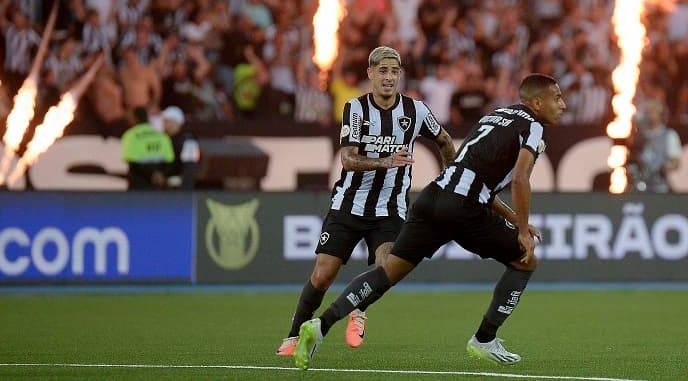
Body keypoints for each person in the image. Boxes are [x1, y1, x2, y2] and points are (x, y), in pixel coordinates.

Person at [293, 73, 566, 370]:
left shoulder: (498, 115)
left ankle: (320, 325)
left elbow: (474, 178)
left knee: (388, 272)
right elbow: (520, 180)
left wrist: (514, 218)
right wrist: (522, 231)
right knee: (525, 261)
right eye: (557, 98)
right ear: (537, 103)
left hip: (433, 197)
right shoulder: (535, 127)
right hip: (463, 208)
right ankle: (485, 339)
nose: (563, 105)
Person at [276, 46, 455, 357]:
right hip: (350, 203)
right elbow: (347, 159)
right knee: (323, 273)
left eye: (394, 72)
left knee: (385, 268)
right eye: (382, 71)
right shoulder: (355, 109)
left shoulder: (417, 111)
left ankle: (357, 311)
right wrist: (385, 161)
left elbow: (445, 141)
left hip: (391, 207)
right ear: (370, 73)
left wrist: (452, 180)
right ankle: (293, 336)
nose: (388, 77)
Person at [627, 100, 682, 193]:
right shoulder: (639, 136)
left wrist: (664, 168)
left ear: (660, 114)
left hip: (658, 185)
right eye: (647, 112)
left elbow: (676, 162)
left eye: (653, 111)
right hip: (637, 184)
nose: (649, 114)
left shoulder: (669, 135)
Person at [120, 106, 174, 190]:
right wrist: (160, 175)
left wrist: (151, 175)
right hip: (159, 186)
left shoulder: (130, 135)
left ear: (135, 118)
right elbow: (169, 161)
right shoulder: (162, 136)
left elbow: (133, 162)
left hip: (139, 185)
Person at [159, 105, 200, 190]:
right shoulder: (164, 139)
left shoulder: (188, 141)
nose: (164, 124)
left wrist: (185, 191)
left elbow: (190, 168)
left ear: (177, 123)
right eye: (164, 121)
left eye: (167, 121)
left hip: (178, 188)